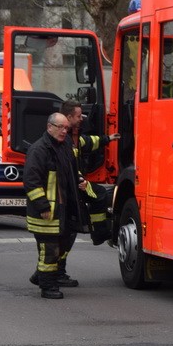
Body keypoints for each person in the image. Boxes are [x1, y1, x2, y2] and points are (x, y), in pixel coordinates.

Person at [23, 113, 87, 299]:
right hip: (46, 212)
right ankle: (47, 286)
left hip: (63, 210)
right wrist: (42, 206)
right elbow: (31, 181)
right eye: (60, 127)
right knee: (49, 250)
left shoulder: (65, 146)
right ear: (49, 126)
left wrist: (80, 181)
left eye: (66, 128)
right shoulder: (39, 150)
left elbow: (71, 173)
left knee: (63, 245)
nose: (64, 131)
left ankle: (41, 276)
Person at [60, 100, 118, 247]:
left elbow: (90, 141)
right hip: (72, 183)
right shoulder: (64, 139)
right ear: (69, 117)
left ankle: (98, 232)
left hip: (74, 181)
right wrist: (80, 179)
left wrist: (108, 139)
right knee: (99, 194)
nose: (82, 118)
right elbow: (68, 164)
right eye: (79, 116)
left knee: (99, 194)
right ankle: (99, 233)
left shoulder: (73, 137)